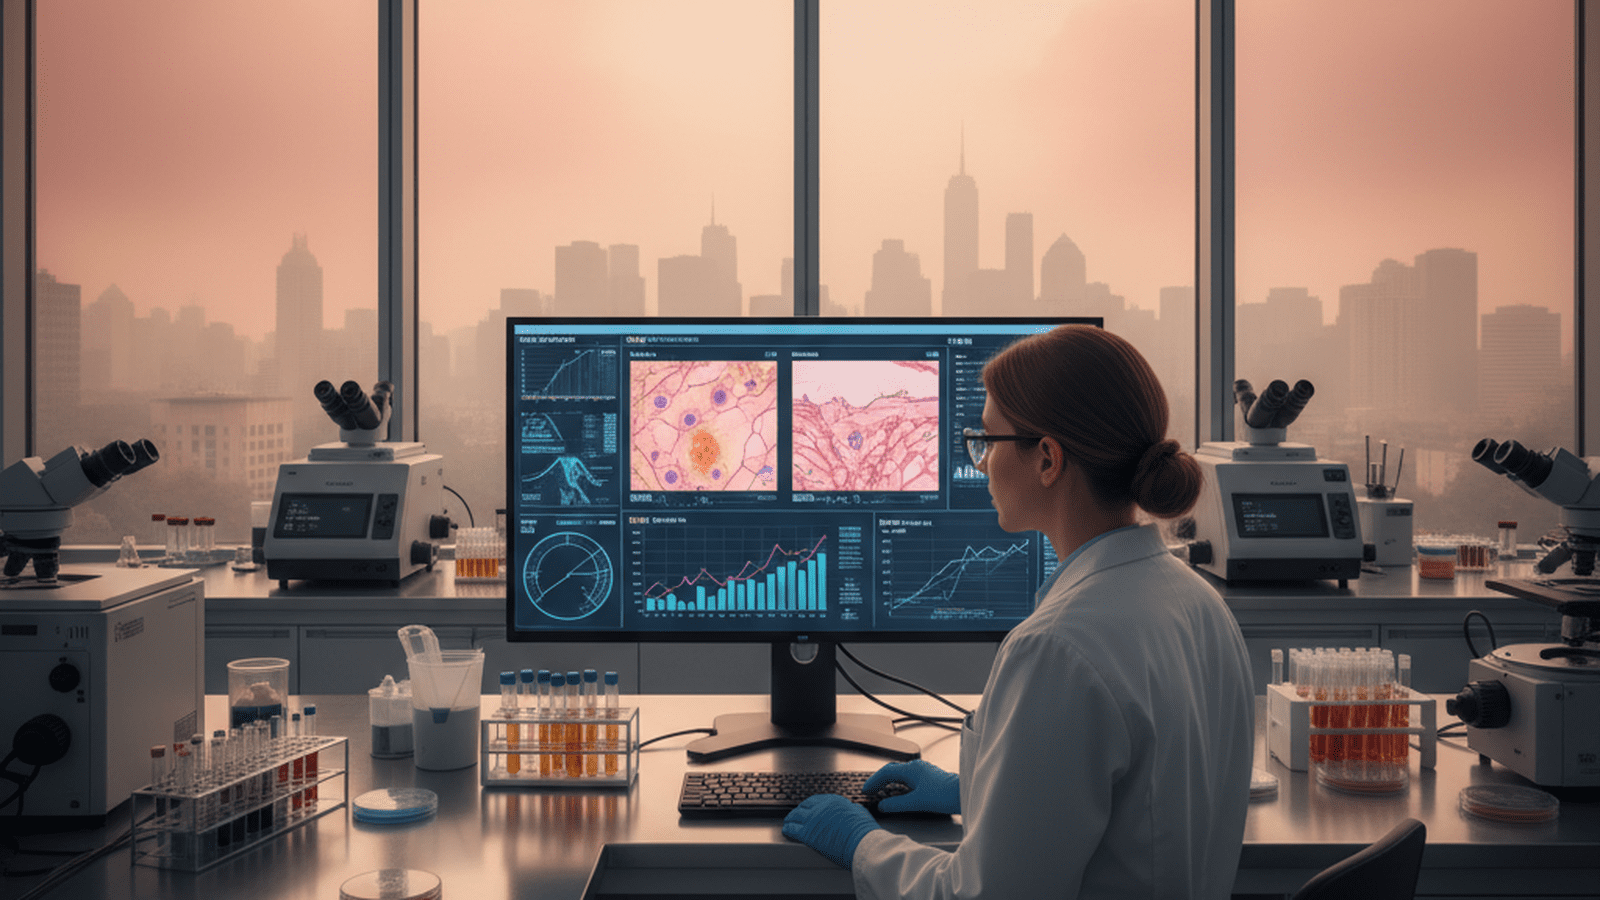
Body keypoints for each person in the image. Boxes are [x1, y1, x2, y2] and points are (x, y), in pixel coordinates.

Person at [782, 324, 1255, 899]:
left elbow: (979, 896)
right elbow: (1137, 800)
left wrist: (863, 844)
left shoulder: (1059, 648)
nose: (980, 465)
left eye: (987, 441)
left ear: (1049, 460)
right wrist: (977, 790)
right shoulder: (1201, 605)